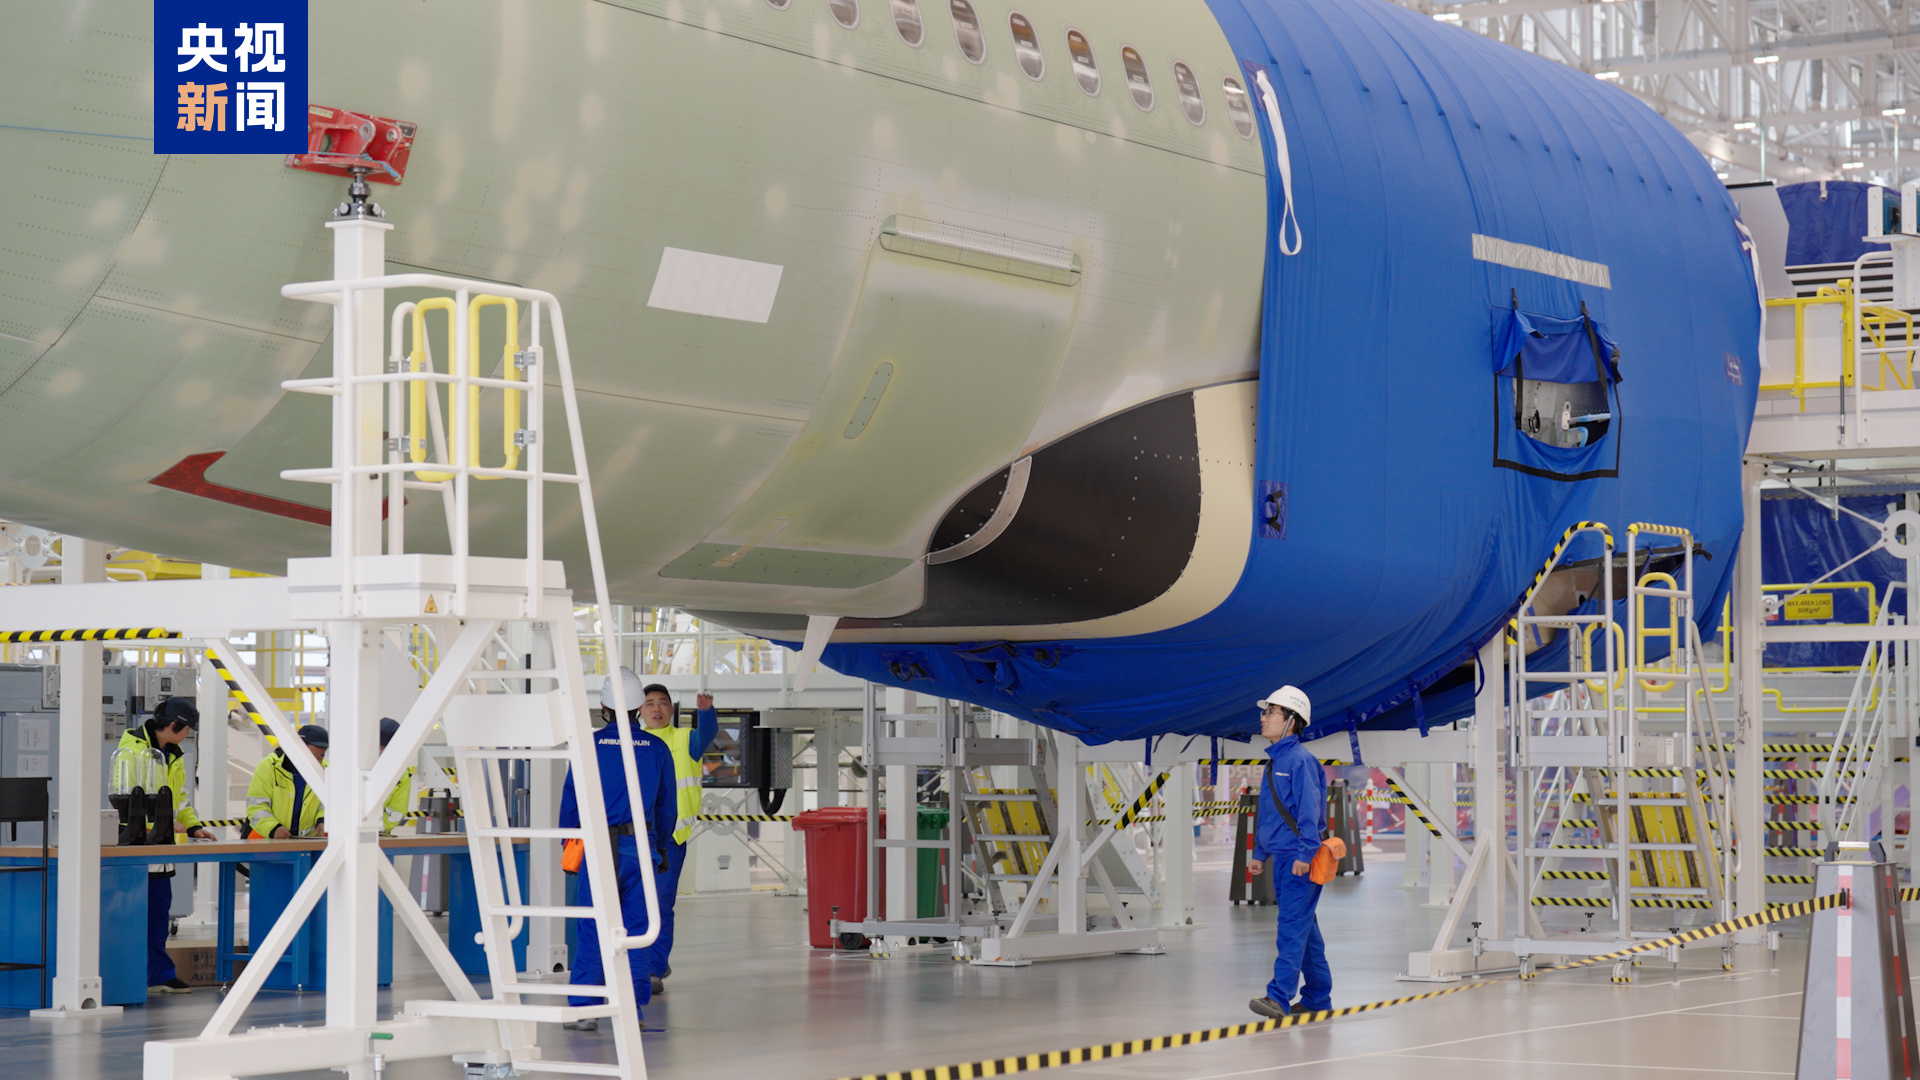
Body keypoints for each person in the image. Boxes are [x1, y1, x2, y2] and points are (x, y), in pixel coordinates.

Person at [557, 669, 677, 1032]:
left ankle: (585, 1008)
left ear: (603, 706)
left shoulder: (588, 746)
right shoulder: (657, 749)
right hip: (639, 850)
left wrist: (569, 845)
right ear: (639, 706)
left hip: (597, 849)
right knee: (637, 930)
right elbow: (666, 808)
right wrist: (659, 847)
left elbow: (571, 801)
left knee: (593, 927)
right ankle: (632, 1009)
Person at [1246, 686, 1332, 1020]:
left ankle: (1278, 997)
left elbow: (1310, 812)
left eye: (1271, 712)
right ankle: (1317, 998)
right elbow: (1269, 813)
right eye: (1265, 711)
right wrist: (1259, 853)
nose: (1263, 718)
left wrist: (1305, 855)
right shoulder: (1276, 762)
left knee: (1291, 928)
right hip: (1282, 858)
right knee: (1305, 931)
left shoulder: (1300, 761)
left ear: (1291, 721)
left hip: (1299, 860)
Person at [120, 696, 211, 994]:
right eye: (187, 729)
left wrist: (193, 826)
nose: (188, 735)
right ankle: (128, 977)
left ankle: (158, 975)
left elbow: (179, 798)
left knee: (158, 914)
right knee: (131, 917)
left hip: (160, 848)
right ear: (174, 725)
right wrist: (161, 824)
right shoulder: (132, 751)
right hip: (135, 847)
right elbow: (127, 800)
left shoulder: (173, 755)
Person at [634, 679, 717, 995]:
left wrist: (706, 712)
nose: (656, 708)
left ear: (671, 709)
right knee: (634, 904)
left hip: (670, 838)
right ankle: (639, 963)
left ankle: (654, 968)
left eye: (662, 703)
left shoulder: (685, 739)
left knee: (660, 902)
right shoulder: (632, 742)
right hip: (633, 836)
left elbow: (706, 734)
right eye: (650, 703)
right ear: (639, 710)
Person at [245, 725, 329, 839]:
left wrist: (323, 820)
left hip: (306, 843)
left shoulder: (326, 771)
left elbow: (329, 804)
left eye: (321, 757)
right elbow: (256, 805)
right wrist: (273, 828)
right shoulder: (269, 766)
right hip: (265, 840)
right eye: (311, 756)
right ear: (297, 749)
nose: (317, 762)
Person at [377, 717, 414, 835]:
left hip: (379, 836)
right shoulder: (353, 766)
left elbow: (396, 812)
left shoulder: (402, 774)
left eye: (384, 748)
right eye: (379, 747)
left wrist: (372, 828)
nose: (380, 752)